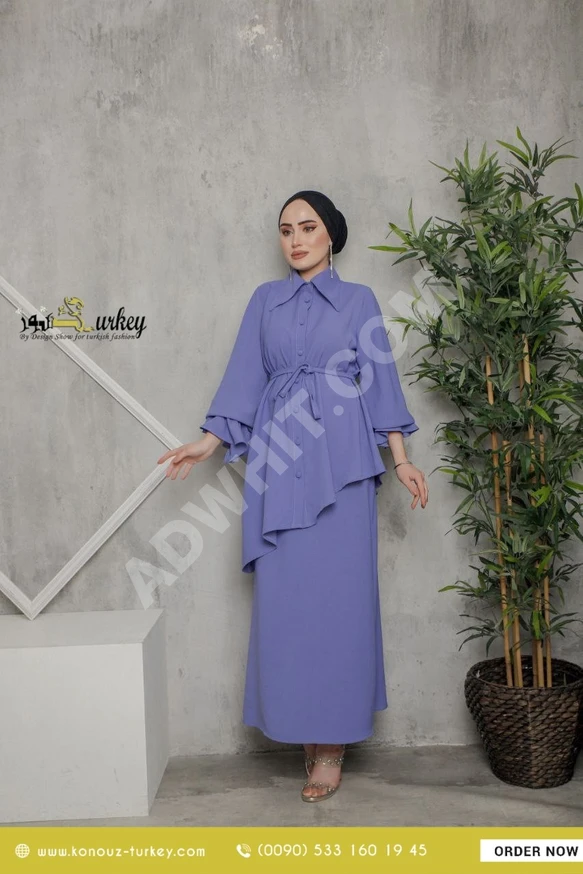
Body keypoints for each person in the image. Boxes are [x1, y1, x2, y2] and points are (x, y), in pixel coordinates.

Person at [158, 190, 429, 803]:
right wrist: (207, 442)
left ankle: (330, 748)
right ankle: (305, 735)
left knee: (341, 605)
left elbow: (381, 383)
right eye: (286, 230)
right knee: (288, 607)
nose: (296, 239)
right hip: (278, 468)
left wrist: (403, 460)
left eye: (308, 227)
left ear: (331, 234)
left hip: (344, 469)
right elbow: (243, 379)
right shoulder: (265, 301)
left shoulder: (359, 301)